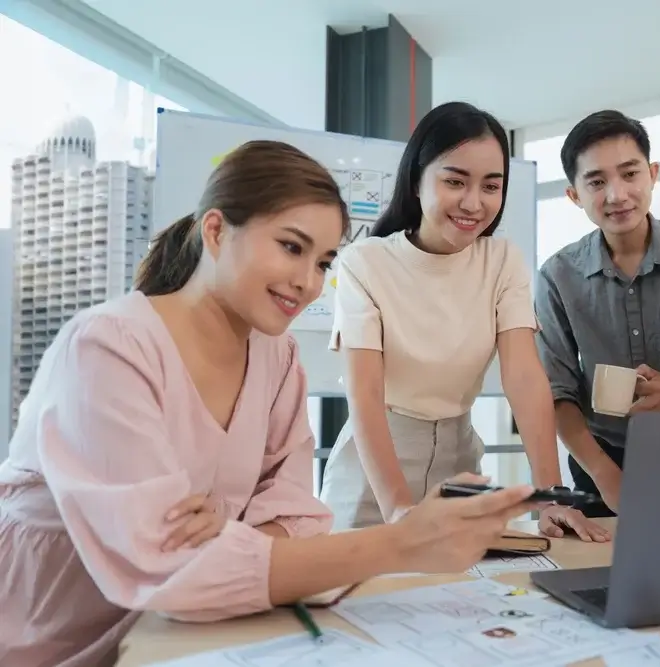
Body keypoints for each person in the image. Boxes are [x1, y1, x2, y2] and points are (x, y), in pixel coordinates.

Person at [0, 140, 542, 667]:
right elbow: (166, 568)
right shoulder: (109, 346)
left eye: (324, 261)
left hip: (191, 634)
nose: (308, 283)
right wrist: (400, 544)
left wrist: (224, 541)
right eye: (291, 247)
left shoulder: (276, 355)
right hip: (47, 637)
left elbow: (301, 515)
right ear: (215, 231)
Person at [318, 101, 608, 542]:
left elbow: (524, 378)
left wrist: (550, 496)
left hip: (458, 463)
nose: (474, 203)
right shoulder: (366, 262)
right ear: (417, 180)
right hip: (373, 471)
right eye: (455, 181)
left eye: (491, 186)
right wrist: (398, 510)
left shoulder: (502, 260)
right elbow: (364, 394)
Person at [535, 110, 660, 517]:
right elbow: (557, 393)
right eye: (597, 182)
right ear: (574, 195)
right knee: (602, 578)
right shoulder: (557, 277)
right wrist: (606, 476)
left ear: (652, 174)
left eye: (630, 174)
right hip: (600, 463)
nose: (617, 195)